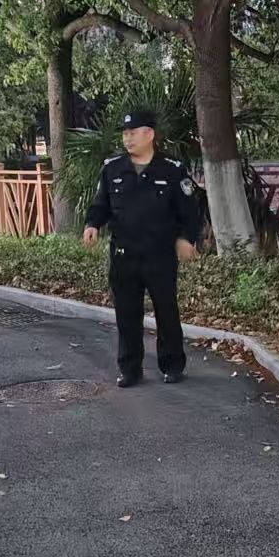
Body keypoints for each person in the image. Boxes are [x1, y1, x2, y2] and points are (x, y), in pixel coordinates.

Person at [81, 108, 203, 386]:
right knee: (126, 313)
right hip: (124, 254)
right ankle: (130, 369)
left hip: (159, 255)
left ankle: (172, 365)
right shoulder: (112, 168)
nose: (127, 139)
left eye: (133, 133)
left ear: (149, 134)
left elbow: (189, 210)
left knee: (166, 311)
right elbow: (101, 204)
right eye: (125, 134)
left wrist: (185, 239)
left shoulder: (172, 170)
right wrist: (92, 225)